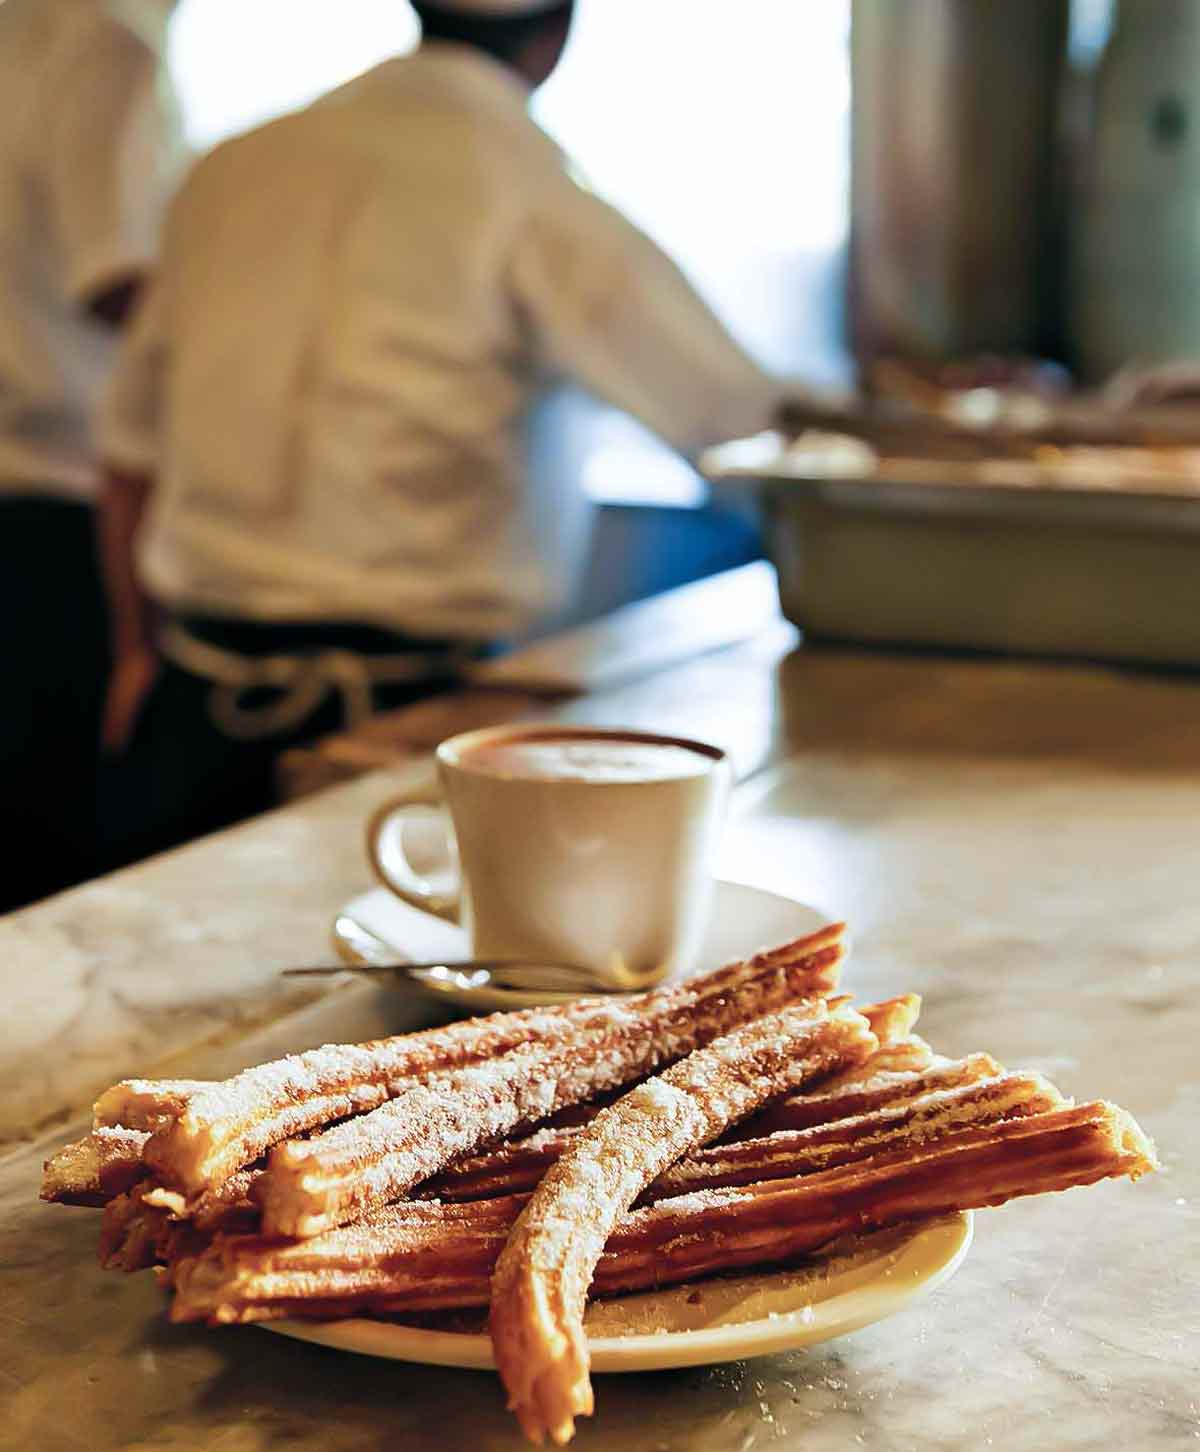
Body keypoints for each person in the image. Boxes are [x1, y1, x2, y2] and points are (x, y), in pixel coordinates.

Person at [96, 0, 789, 869]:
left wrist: (131, 656)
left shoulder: (231, 166)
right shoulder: (530, 189)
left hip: (189, 709)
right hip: (410, 730)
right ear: (556, 34)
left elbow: (126, 454)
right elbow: (741, 426)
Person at [0, 0, 184, 910]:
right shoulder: (106, 40)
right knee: (54, 864)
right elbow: (115, 278)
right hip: (61, 504)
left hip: (29, 487)